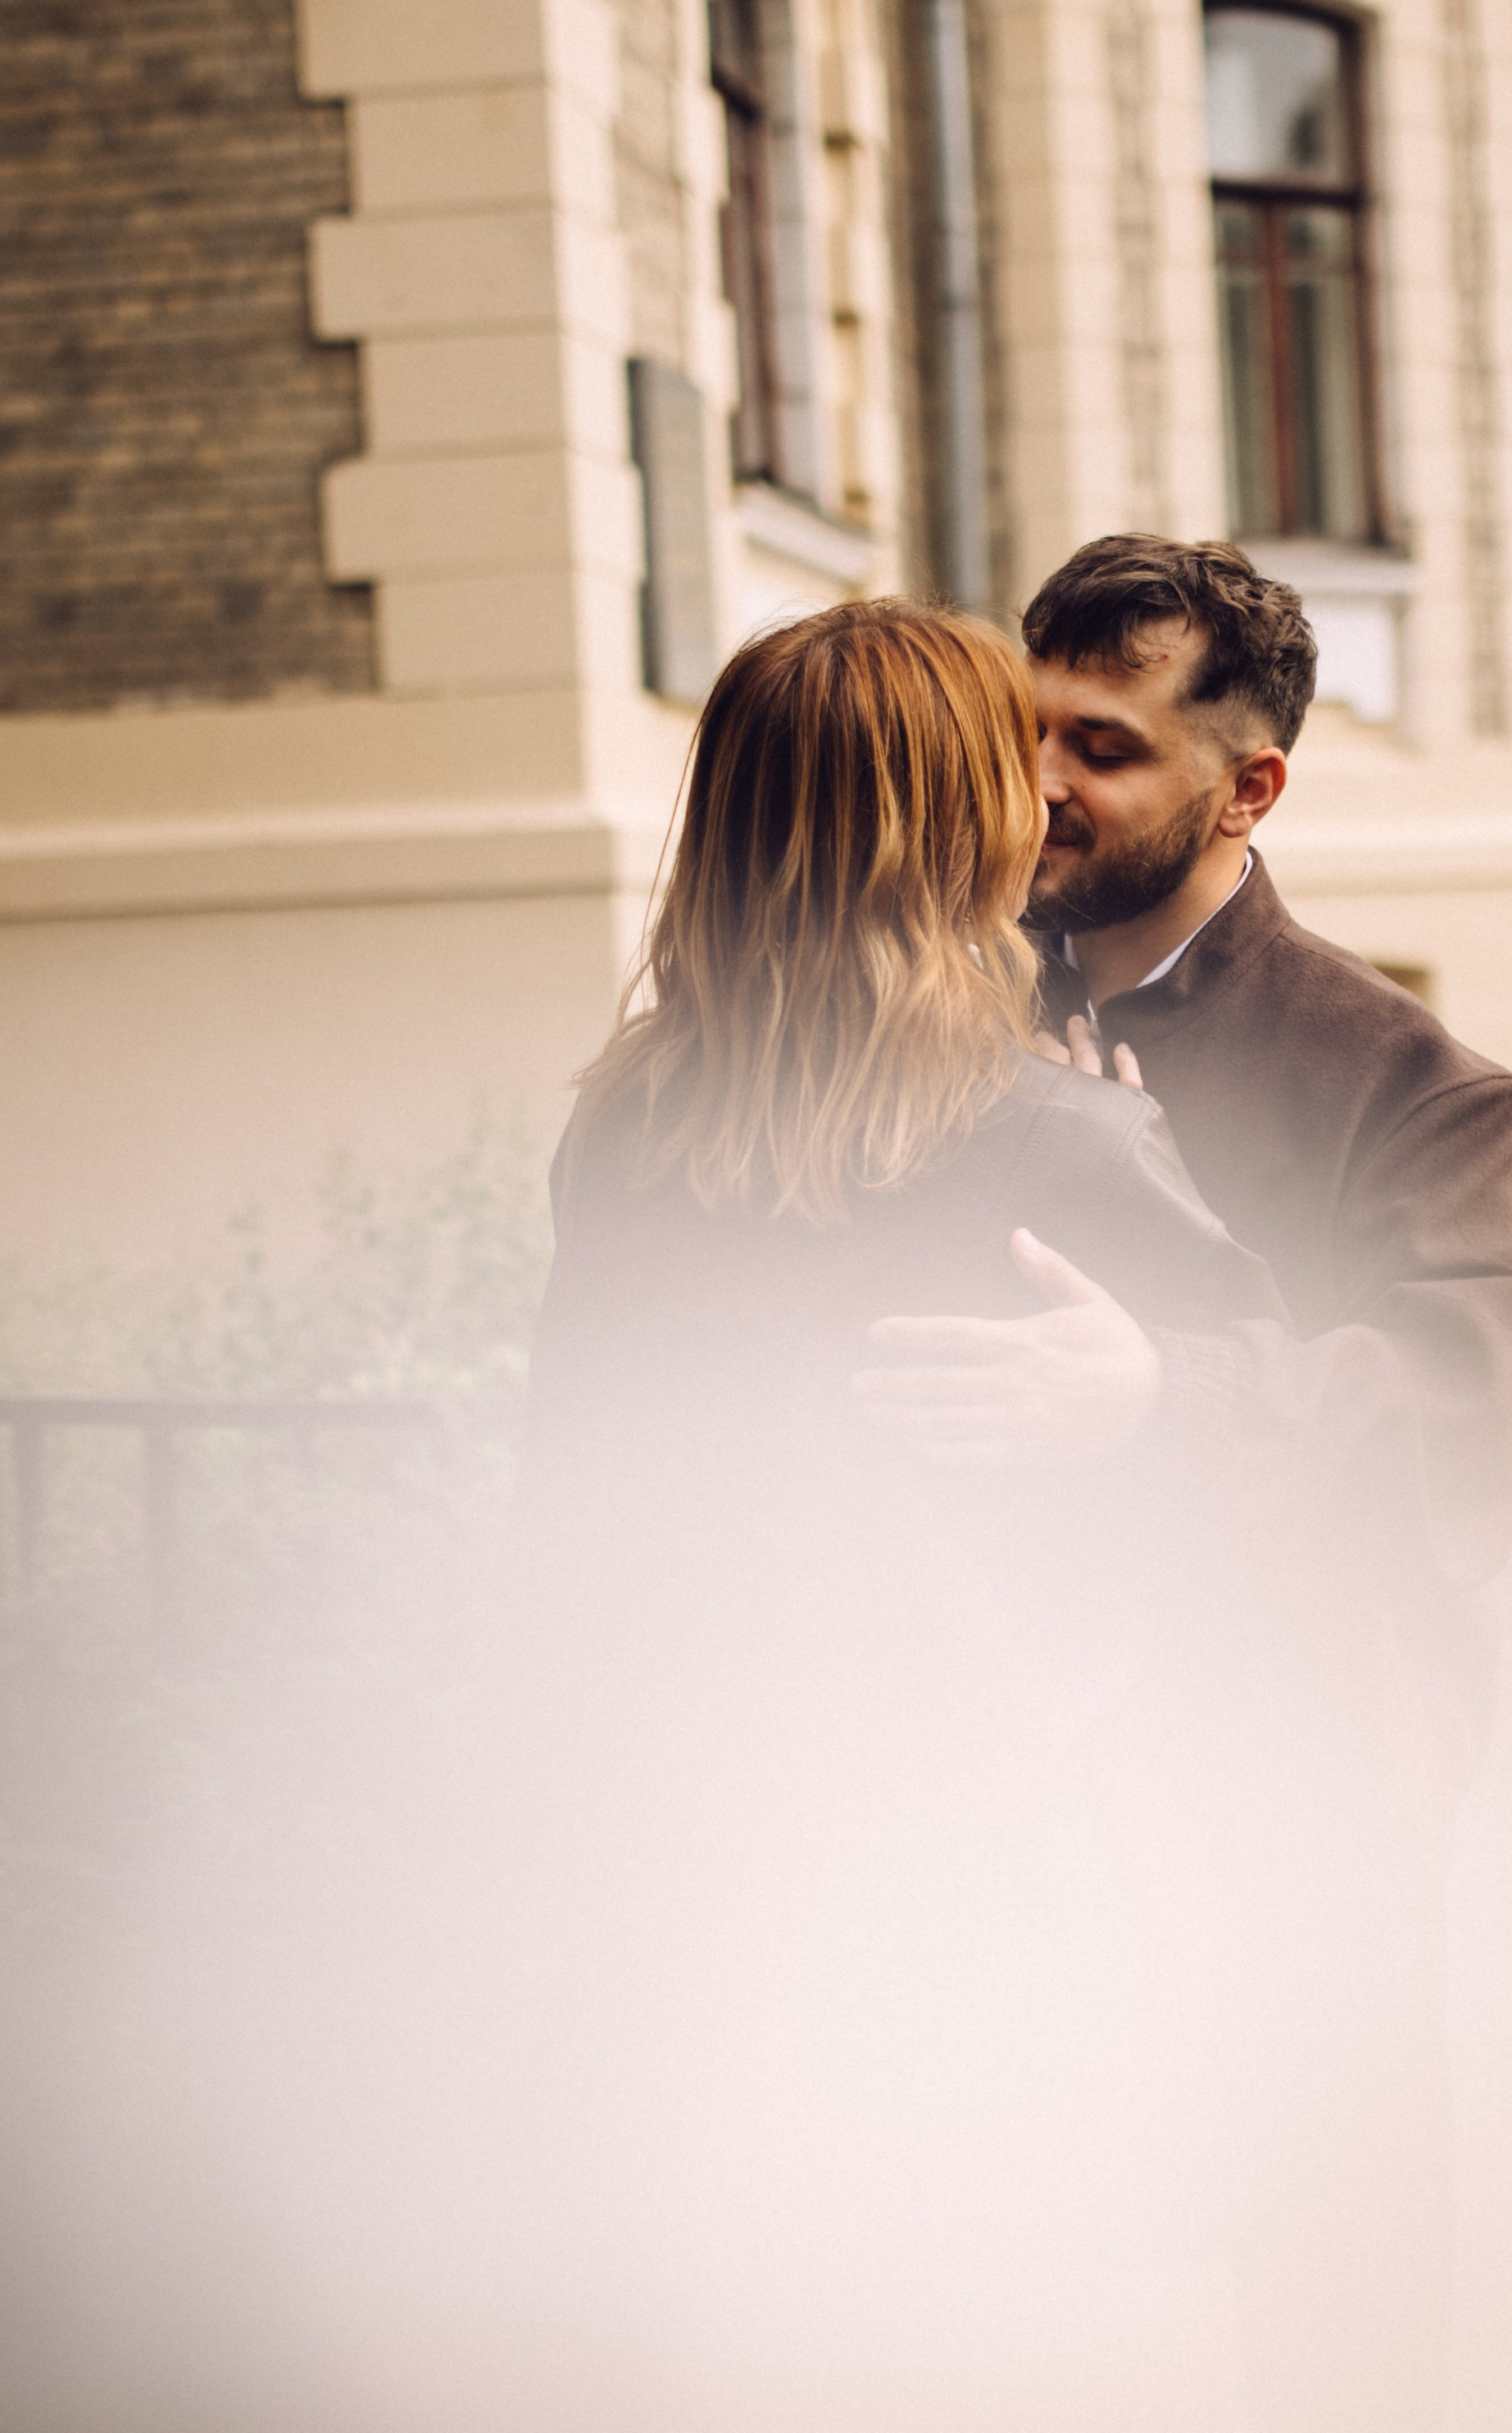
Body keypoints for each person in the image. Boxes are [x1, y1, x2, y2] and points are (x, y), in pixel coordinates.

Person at [521, 596, 1284, 2432]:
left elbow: (571, 1491)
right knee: (1010, 2328)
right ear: (957, 829)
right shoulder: (1061, 1143)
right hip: (997, 1851)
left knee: (759, 2320)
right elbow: (1268, 1495)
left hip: (691, 1843)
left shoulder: (627, 1131)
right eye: (1010, 767)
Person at [859, 534, 1512, 2433]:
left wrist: (1168, 1389)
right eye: (1024, 733)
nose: (1035, 786)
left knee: (1325, 2287)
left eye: (1099, 746)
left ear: (1247, 788)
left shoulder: (1406, 1082)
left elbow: (1465, 1430)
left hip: (1296, 1779)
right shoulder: (928, 1009)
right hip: (996, 1759)